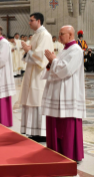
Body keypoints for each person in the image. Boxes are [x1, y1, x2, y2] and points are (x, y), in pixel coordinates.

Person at [42, 25, 85, 161]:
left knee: (66, 124)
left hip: (68, 92)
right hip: (58, 91)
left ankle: (68, 153)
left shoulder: (76, 50)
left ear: (70, 35)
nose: (59, 36)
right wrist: (51, 62)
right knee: (56, 121)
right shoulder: (64, 49)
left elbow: (66, 70)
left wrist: (53, 60)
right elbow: (57, 66)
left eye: (62, 34)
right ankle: (56, 151)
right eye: (59, 33)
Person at [20, 12, 54, 141]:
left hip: (39, 75)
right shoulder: (36, 35)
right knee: (32, 100)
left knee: (38, 100)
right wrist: (28, 50)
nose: (29, 22)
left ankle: (41, 132)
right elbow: (33, 53)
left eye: (31, 20)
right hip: (32, 72)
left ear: (38, 21)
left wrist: (28, 50)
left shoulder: (45, 35)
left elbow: (41, 56)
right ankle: (33, 131)